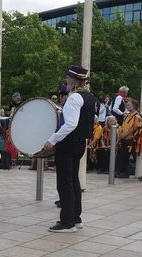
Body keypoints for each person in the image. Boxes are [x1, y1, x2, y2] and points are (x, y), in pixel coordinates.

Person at [43, 65, 96, 233]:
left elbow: (71, 124)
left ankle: (67, 222)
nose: (66, 81)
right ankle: (76, 218)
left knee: (65, 182)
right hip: (80, 143)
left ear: (73, 80)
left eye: (68, 78)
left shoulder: (74, 98)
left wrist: (52, 140)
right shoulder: (90, 97)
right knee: (73, 180)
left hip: (68, 143)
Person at [117, 99, 140, 178]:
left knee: (128, 156)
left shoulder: (136, 115)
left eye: (129, 105)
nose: (127, 106)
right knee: (122, 156)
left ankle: (127, 172)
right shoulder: (127, 115)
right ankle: (122, 171)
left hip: (131, 139)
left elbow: (134, 127)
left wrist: (125, 134)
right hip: (124, 138)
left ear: (134, 106)